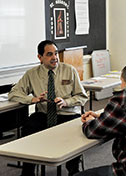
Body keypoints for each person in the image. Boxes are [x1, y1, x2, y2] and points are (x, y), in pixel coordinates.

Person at [8, 40, 88, 176]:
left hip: (67, 113)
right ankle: (28, 171)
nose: (54, 58)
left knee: (75, 129)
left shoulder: (69, 70)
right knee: (28, 127)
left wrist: (66, 102)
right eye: (49, 54)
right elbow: (13, 93)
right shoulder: (31, 74)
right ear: (40, 57)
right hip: (44, 113)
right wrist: (32, 99)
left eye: (56, 53)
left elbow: (82, 97)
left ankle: (74, 171)